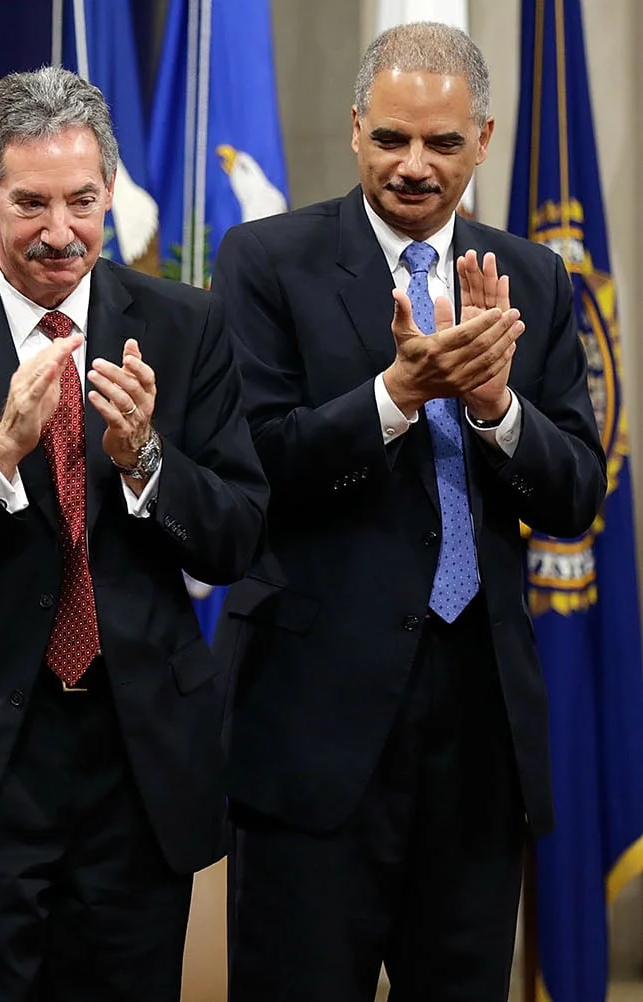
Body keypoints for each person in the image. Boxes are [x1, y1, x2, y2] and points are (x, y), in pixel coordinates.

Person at [0, 65, 267, 1001]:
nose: (60, 231)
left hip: (135, 768)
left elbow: (235, 538)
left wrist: (147, 458)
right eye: (31, 203)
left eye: (83, 200)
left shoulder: (187, 327)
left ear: (111, 191)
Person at [213, 21, 606, 1001]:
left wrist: (494, 406)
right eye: (391, 139)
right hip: (314, 733)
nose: (414, 167)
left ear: (484, 137)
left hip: (477, 736)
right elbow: (251, 468)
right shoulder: (268, 262)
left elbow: (575, 493)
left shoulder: (536, 279)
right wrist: (396, 395)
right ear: (354, 132)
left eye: (440, 143)